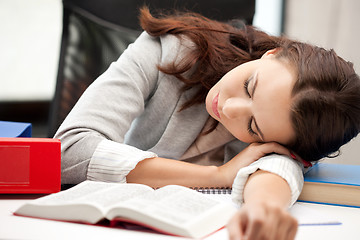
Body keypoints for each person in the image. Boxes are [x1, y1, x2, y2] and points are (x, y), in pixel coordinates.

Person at [54, 7, 360, 240]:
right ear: (272, 54)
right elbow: (68, 149)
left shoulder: (284, 128)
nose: (229, 107)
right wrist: (216, 175)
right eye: (249, 86)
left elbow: (277, 167)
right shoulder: (168, 51)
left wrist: (263, 209)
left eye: (253, 127)